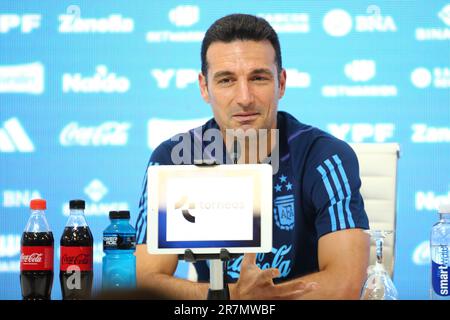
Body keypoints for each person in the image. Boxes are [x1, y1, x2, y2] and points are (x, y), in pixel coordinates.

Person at [134, 13, 370, 300]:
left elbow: (344, 285)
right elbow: (146, 281)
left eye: (258, 78)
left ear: (281, 83)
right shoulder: (175, 158)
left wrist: (251, 300)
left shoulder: (325, 157)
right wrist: (237, 297)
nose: (244, 97)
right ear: (204, 87)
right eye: (226, 80)